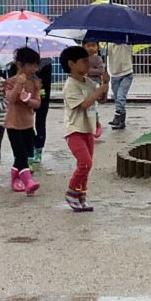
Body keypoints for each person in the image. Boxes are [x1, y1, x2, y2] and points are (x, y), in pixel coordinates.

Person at [59, 46, 108, 212]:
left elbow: (100, 100)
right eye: (84, 61)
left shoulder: (88, 82)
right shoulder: (70, 85)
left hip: (88, 128)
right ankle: (72, 191)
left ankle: (81, 194)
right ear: (71, 64)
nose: (88, 64)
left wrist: (105, 85)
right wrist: (99, 91)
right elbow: (84, 103)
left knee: (88, 165)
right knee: (84, 163)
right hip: (74, 130)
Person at [4, 47, 42, 196]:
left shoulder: (35, 83)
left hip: (27, 124)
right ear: (20, 64)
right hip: (13, 124)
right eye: (31, 64)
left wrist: (28, 100)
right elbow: (11, 100)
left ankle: (15, 179)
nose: (34, 68)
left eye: (36, 65)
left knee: (26, 153)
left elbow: (38, 103)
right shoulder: (10, 82)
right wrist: (19, 84)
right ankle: (28, 182)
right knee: (20, 154)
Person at [28, 58, 52, 164]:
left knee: (40, 123)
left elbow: (46, 83)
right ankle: (34, 146)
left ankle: (38, 149)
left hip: (41, 96)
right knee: (28, 124)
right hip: (29, 97)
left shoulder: (46, 63)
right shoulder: (20, 61)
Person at [83, 40, 109, 138]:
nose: (90, 48)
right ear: (84, 46)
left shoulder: (98, 59)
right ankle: (88, 125)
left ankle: (96, 123)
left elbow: (100, 70)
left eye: (93, 45)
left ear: (97, 47)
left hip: (95, 84)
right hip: (84, 84)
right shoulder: (82, 59)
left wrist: (88, 71)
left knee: (94, 105)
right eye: (88, 45)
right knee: (86, 105)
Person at [106, 42, 134, 130]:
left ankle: (119, 118)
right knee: (116, 97)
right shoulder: (109, 44)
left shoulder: (126, 43)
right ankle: (119, 117)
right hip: (114, 74)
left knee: (120, 96)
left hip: (126, 74)